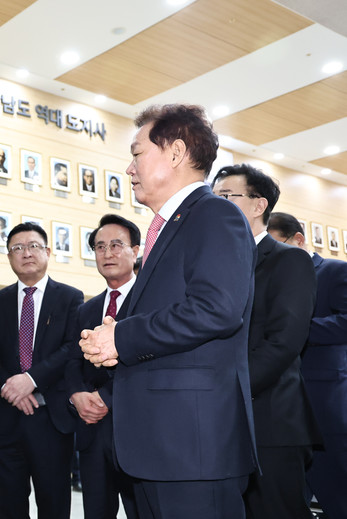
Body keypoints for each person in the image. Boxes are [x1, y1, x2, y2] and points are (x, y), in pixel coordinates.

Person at [81, 104, 257, 519]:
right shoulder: (172, 225)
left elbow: (217, 309)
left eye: (137, 154)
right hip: (160, 447)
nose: (129, 169)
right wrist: (111, 341)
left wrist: (121, 337)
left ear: (176, 153)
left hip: (192, 449)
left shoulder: (215, 214)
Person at [212, 164, 319, 519]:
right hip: (219, 420)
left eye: (226, 196)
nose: (216, 204)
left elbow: (283, 342)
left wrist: (228, 389)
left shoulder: (289, 260)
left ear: (259, 205)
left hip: (270, 421)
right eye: (213, 197)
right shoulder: (215, 265)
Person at [0, 222, 83, 519]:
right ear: (9, 256)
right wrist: (12, 388)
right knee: (10, 507)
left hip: (51, 419)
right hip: (7, 420)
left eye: (33, 246)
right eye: (17, 248)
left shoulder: (70, 297)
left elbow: (71, 348)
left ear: (48, 252)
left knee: (53, 506)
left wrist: (31, 379)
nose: (26, 253)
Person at [268, 212, 347, 519]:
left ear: (298, 240)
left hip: (327, 404)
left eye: (277, 246)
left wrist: (296, 331)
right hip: (284, 409)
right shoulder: (272, 281)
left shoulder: (334, 271)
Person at [66, 214, 140, 519]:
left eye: (116, 245)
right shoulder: (86, 308)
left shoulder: (151, 300)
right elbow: (72, 361)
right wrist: (76, 396)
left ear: (135, 251)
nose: (107, 253)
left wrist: (106, 397)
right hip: (92, 432)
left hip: (138, 429)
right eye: (99, 247)